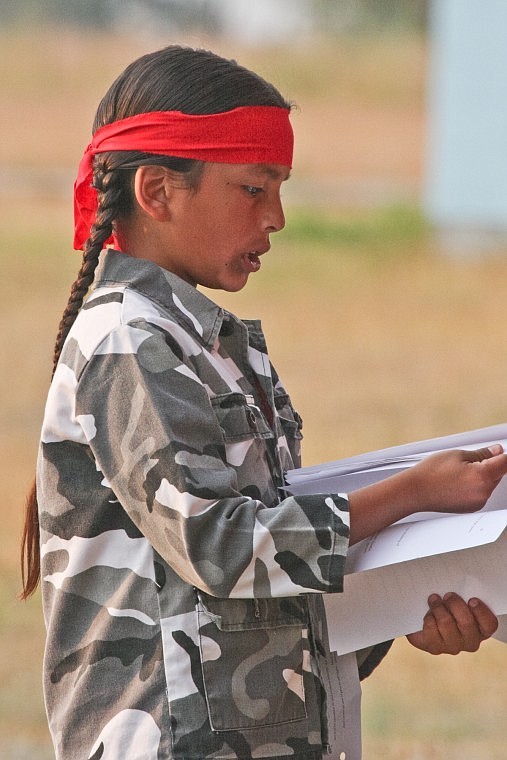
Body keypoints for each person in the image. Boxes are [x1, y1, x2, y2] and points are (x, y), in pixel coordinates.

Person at [21, 45, 507, 760]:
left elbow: (262, 580)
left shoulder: (216, 347)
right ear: (157, 191)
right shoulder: (125, 342)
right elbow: (220, 546)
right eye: (255, 188)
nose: (276, 216)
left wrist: (404, 614)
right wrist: (410, 494)